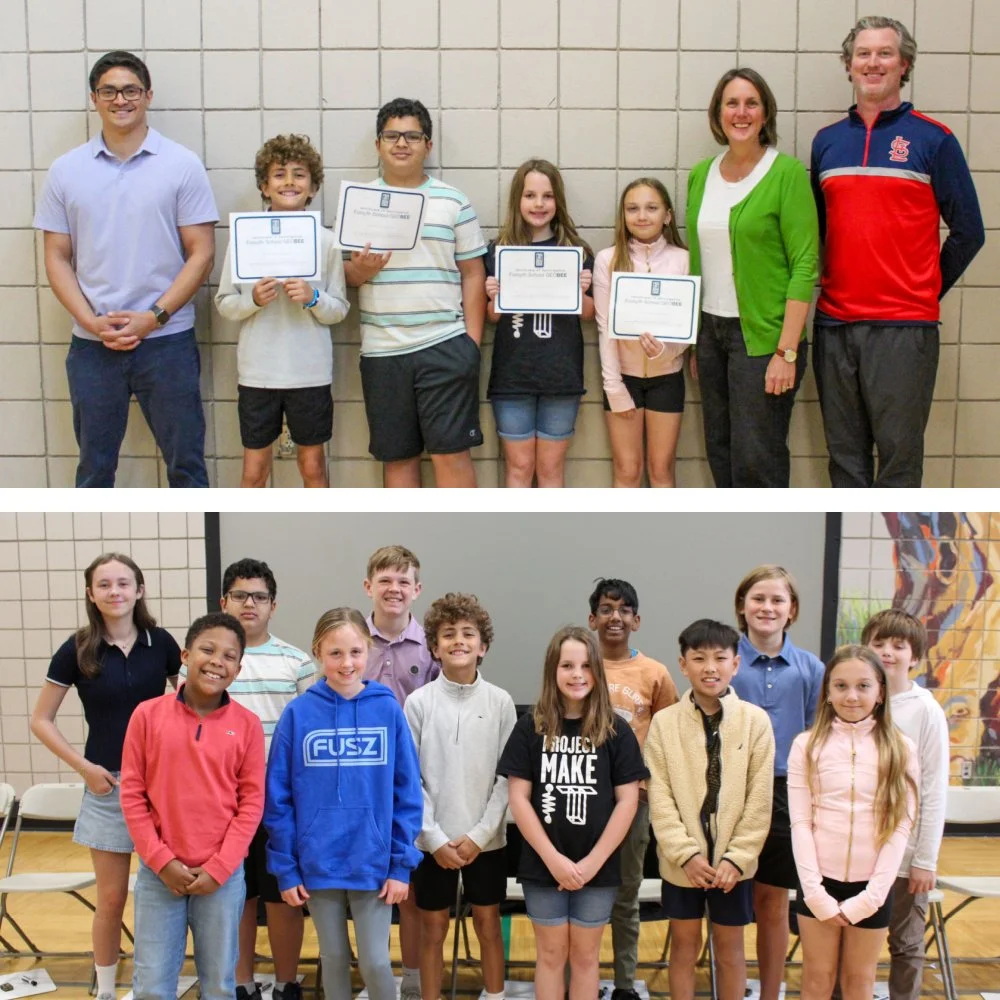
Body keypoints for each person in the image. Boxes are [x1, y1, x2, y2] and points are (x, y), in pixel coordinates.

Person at [811, 15, 985, 488]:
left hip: (904, 329)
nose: (873, 63)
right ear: (848, 65)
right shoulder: (826, 143)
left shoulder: (934, 140)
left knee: (898, 465)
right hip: (833, 326)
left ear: (904, 64)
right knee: (844, 463)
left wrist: (924, 288)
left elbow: (970, 231)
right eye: (863, 54)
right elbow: (821, 233)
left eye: (884, 53)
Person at [33, 50, 218, 488]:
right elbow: (56, 256)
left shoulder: (181, 164)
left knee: (187, 468)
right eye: (109, 91)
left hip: (167, 341)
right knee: (94, 471)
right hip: (93, 344)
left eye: (131, 90)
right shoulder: (66, 170)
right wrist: (90, 322)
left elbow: (202, 252)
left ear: (148, 95)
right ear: (94, 98)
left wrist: (153, 316)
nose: (121, 99)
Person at [30, 553, 180, 1000]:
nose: (115, 592)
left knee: (162, 899)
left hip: (162, 789)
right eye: (104, 585)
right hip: (107, 786)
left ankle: (152, 985)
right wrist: (86, 769)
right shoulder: (77, 649)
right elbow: (41, 720)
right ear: (91, 594)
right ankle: (108, 991)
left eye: (123, 583)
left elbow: (192, 706)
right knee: (112, 900)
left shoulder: (164, 643)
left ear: (139, 589)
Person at [264, 609, 423, 1000]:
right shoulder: (298, 714)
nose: (346, 663)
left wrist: (401, 865)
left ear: (367, 650)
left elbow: (408, 792)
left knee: (375, 961)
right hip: (317, 861)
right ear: (318, 652)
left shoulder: (387, 709)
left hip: (373, 860)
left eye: (355, 651)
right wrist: (286, 867)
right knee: (333, 957)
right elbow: (278, 796)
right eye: (335, 653)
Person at [183, 559, 315, 1000]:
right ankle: (240, 983)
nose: (249, 604)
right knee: (236, 896)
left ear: (273, 606)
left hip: (279, 803)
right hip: (221, 805)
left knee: (283, 897)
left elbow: (308, 737)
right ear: (224, 602)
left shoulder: (298, 663)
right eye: (240, 595)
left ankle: (286, 982)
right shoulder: (205, 663)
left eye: (259, 597)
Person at [343, 97, 488, 488]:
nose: (401, 143)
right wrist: (361, 269)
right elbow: (347, 278)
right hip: (382, 352)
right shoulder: (358, 201)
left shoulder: (453, 200)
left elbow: (473, 273)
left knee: (451, 458)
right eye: (391, 135)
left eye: (412, 135)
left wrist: (470, 345)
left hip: (444, 345)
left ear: (428, 144)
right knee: (398, 460)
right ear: (378, 144)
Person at [120, 613, 265, 1000]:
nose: (218, 660)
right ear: (185, 655)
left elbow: (251, 803)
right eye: (208, 649)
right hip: (158, 874)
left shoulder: (247, 725)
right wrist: (160, 860)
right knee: (152, 985)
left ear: (238, 668)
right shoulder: (146, 716)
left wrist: (220, 868)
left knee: (219, 983)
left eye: (230, 655)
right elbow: (132, 795)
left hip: (221, 878)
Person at [686, 68, 819, 488]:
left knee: (756, 459)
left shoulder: (787, 174)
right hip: (711, 334)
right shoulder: (700, 175)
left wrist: (787, 352)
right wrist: (694, 339)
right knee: (720, 453)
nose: (740, 113)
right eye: (731, 103)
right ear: (718, 113)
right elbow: (699, 259)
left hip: (764, 338)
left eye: (751, 103)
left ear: (765, 114)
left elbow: (805, 264)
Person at [498, 626, 647, 1000]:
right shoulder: (530, 727)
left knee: (585, 957)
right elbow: (518, 797)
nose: (577, 674)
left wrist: (593, 862)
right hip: (543, 865)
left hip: (598, 868)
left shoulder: (617, 730)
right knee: (549, 954)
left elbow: (628, 801)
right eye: (567, 665)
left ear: (597, 670)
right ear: (553, 670)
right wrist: (554, 860)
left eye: (585, 665)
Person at [645, 619, 775, 1000]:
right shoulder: (663, 724)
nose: (710, 667)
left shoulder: (755, 723)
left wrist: (736, 858)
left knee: (731, 953)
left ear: (736, 664)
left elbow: (759, 798)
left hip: (733, 867)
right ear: (683, 665)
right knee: (684, 949)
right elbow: (660, 797)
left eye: (720, 658)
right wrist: (685, 854)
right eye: (698, 658)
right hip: (682, 864)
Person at [215, 134, 350, 489]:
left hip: (309, 373)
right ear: (264, 185)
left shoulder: (327, 241)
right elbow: (225, 303)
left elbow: (339, 309)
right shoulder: (245, 237)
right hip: (259, 374)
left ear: (313, 187)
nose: (289, 182)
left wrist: (312, 297)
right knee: (254, 471)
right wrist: (254, 300)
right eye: (279, 174)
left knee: (313, 468)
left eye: (299, 174)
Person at [788, 645, 919, 1000]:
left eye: (863, 686)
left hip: (872, 888)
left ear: (880, 692)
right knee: (817, 977)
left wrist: (872, 895)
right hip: (819, 883)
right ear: (827, 692)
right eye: (841, 686)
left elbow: (901, 826)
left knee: (859, 980)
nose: (851, 696)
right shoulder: (806, 745)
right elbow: (800, 822)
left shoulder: (900, 748)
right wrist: (814, 892)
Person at [404, 593, 517, 1000]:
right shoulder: (417, 704)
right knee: (432, 927)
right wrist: (433, 839)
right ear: (433, 647)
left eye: (468, 634)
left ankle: (496, 994)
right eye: (447, 634)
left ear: (482, 646)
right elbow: (409, 779)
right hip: (433, 843)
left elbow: (507, 779)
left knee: (487, 922)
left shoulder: (501, 703)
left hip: (486, 842)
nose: (458, 641)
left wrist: (479, 835)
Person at [729, 565, 824, 1000]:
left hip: (786, 793)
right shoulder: (724, 661)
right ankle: (728, 986)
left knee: (771, 901)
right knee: (728, 900)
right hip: (730, 791)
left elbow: (817, 734)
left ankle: (770, 992)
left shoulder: (811, 669)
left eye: (777, 600)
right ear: (742, 607)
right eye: (758, 599)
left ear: (792, 611)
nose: (767, 607)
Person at [586, 578, 678, 1000]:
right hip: (582, 798)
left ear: (636, 620)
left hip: (634, 802)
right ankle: (577, 980)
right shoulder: (578, 666)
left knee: (625, 896)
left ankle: (624, 984)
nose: (615, 617)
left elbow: (671, 738)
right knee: (579, 893)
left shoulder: (655, 673)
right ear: (592, 619)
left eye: (624, 610)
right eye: (606, 609)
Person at [484, 159, 595, 487]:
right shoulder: (498, 251)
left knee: (550, 470)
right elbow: (491, 317)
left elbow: (589, 314)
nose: (538, 204)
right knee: (518, 468)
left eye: (547, 196)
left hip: (560, 376)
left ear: (558, 201)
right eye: (530, 195)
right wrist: (494, 296)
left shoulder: (576, 251)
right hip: (512, 376)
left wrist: (579, 292)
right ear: (517, 200)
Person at [361, 543, 438, 997]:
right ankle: (376, 979)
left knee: (405, 885)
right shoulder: (351, 640)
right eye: (385, 580)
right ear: (368, 586)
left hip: (414, 786)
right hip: (362, 784)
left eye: (403, 581)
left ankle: (410, 981)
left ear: (417, 590)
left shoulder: (432, 646)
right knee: (367, 887)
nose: (394, 589)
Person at [862, 609, 949, 1000]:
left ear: (914, 657)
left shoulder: (925, 709)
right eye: (878, 643)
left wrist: (925, 859)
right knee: (849, 939)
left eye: (898, 646)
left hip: (904, 854)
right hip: (854, 850)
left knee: (907, 944)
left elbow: (933, 789)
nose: (887, 652)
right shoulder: (854, 698)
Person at [593, 178, 689, 487]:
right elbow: (605, 326)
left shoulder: (684, 259)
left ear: (668, 215)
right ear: (623, 215)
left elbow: (689, 328)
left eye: (652, 208)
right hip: (624, 379)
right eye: (632, 209)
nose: (642, 216)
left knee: (662, 472)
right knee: (627, 471)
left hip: (668, 378)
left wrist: (667, 351)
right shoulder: (608, 260)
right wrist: (614, 386)